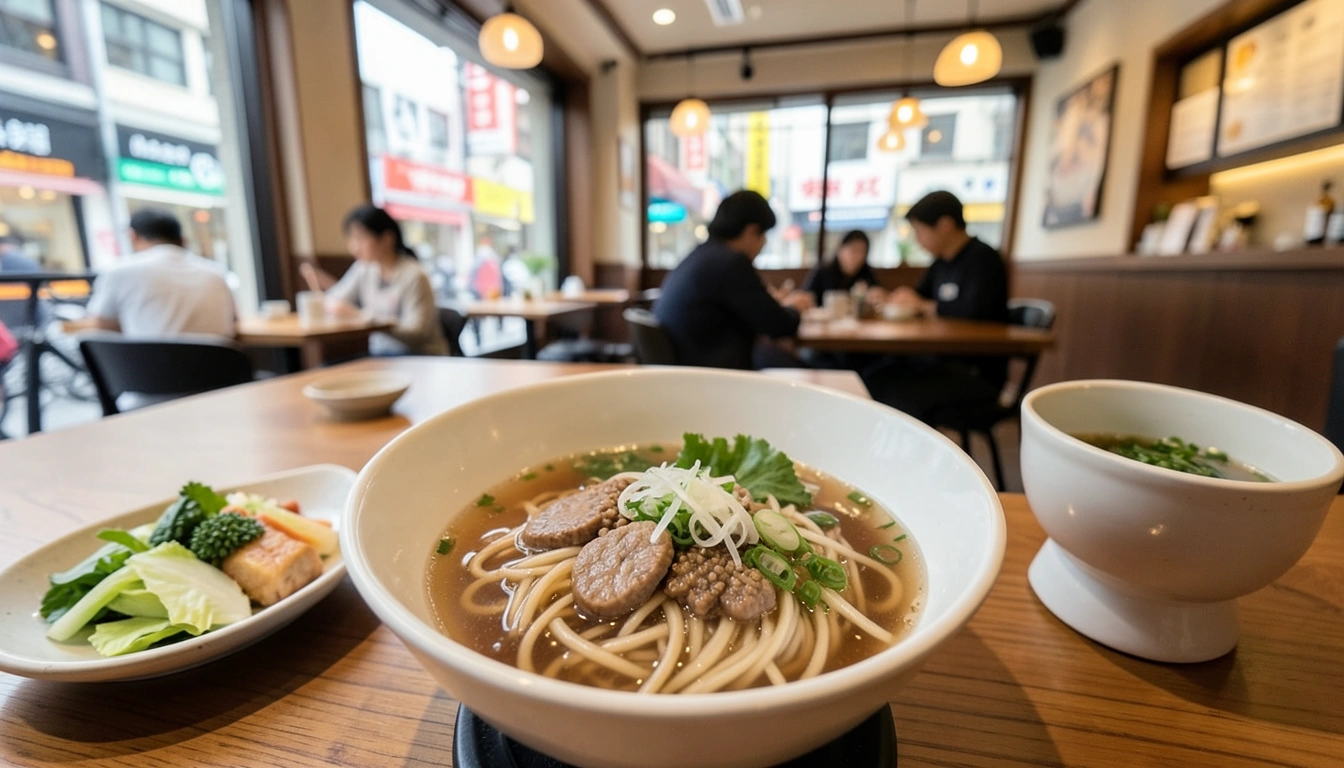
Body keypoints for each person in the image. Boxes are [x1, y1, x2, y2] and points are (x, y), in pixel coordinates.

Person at [865, 191, 1010, 423]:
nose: (917, 239)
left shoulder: (984, 259)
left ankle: (905, 446)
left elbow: (975, 311)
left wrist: (924, 305)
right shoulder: (940, 263)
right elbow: (918, 296)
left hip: (976, 372)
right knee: (873, 376)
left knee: (899, 396)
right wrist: (893, 297)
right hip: (940, 362)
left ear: (945, 225)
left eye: (919, 231)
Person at [654, 190, 813, 369]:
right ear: (751, 230)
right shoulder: (731, 263)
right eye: (763, 235)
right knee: (805, 368)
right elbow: (779, 326)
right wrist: (796, 307)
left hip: (688, 364)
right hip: (712, 372)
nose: (764, 243)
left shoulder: (703, 254)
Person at [300, 204, 448, 356]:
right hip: (380, 356)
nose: (354, 247)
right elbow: (336, 301)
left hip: (419, 357)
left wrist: (360, 316)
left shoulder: (414, 275)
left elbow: (417, 333)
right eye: (351, 239)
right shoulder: (364, 269)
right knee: (328, 368)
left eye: (360, 238)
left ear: (387, 239)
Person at [77, 209, 236, 338]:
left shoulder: (120, 271)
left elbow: (102, 327)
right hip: (217, 367)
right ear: (181, 238)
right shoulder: (216, 273)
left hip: (146, 367)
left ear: (132, 236)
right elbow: (233, 321)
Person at [803, 230, 882, 307]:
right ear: (840, 248)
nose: (858, 256)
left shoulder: (867, 273)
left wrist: (877, 295)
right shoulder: (822, 271)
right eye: (854, 250)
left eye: (862, 252)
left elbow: (879, 294)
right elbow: (805, 297)